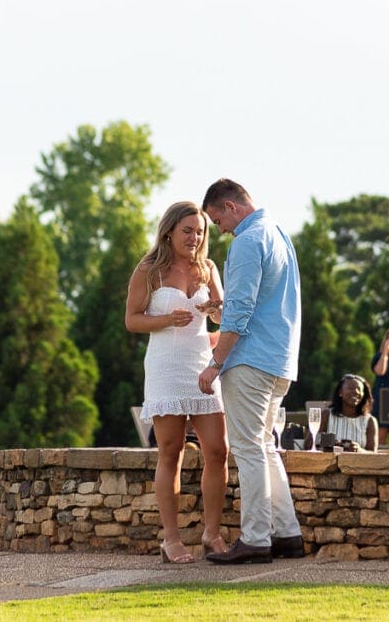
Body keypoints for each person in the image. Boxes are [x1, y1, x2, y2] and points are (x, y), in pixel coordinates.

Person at [197, 179, 304, 565]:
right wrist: (216, 311)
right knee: (265, 447)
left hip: (250, 360)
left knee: (247, 449)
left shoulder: (246, 240)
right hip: (280, 361)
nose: (220, 229)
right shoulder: (278, 234)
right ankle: (287, 533)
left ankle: (256, 539)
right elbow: (260, 305)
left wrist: (215, 364)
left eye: (217, 219)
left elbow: (240, 313)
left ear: (231, 206)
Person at [125, 201, 229, 564]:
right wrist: (168, 318)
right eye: (188, 230)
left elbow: (221, 315)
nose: (195, 237)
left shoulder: (208, 267)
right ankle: (171, 540)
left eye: (200, 231)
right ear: (169, 230)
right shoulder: (149, 270)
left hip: (202, 365)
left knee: (218, 450)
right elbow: (133, 321)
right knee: (171, 450)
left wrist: (215, 309)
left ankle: (212, 534)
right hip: (166, 367)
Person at [304, 374, 379, 452]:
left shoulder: (370, 420)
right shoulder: (327, 415)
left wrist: (359, 450)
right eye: (350, 388)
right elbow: (308, 445)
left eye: (359, 389)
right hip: (329, 463)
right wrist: (330, 444)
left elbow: (373, 454)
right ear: (340, 392)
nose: (356, 391)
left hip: (358, 464)